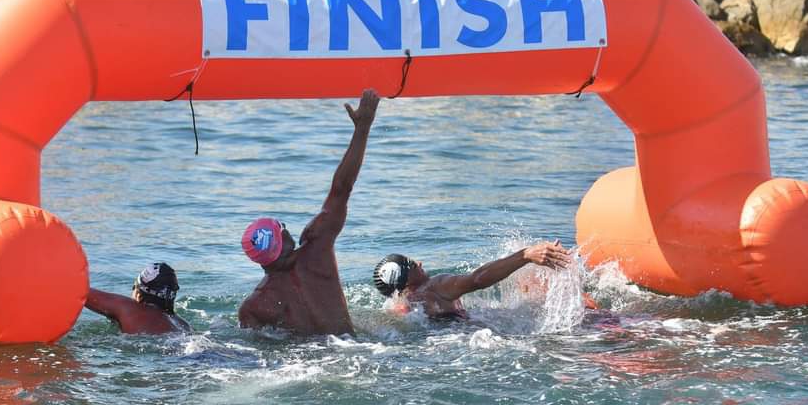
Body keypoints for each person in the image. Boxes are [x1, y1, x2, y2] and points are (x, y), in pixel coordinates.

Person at [238, 89, 380, 335]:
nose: (287, 229)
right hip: (352, 347)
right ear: (281, 240)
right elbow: (342, 188)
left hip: (308, 362)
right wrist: (362, 128)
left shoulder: (254, 307)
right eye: (282, 228)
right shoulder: (316, 249)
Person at [371, 241, 577, 319]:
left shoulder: (398, 308)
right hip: (480, 337)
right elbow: (477, 279)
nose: (420, 262)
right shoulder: (435, 286)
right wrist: (525, 255)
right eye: (413, 264)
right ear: (406, 282)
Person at [85, 262, 191, 335]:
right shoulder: (183, 325)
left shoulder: (130, 309)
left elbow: (81, 291)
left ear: (139, 293)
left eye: (134, 287)